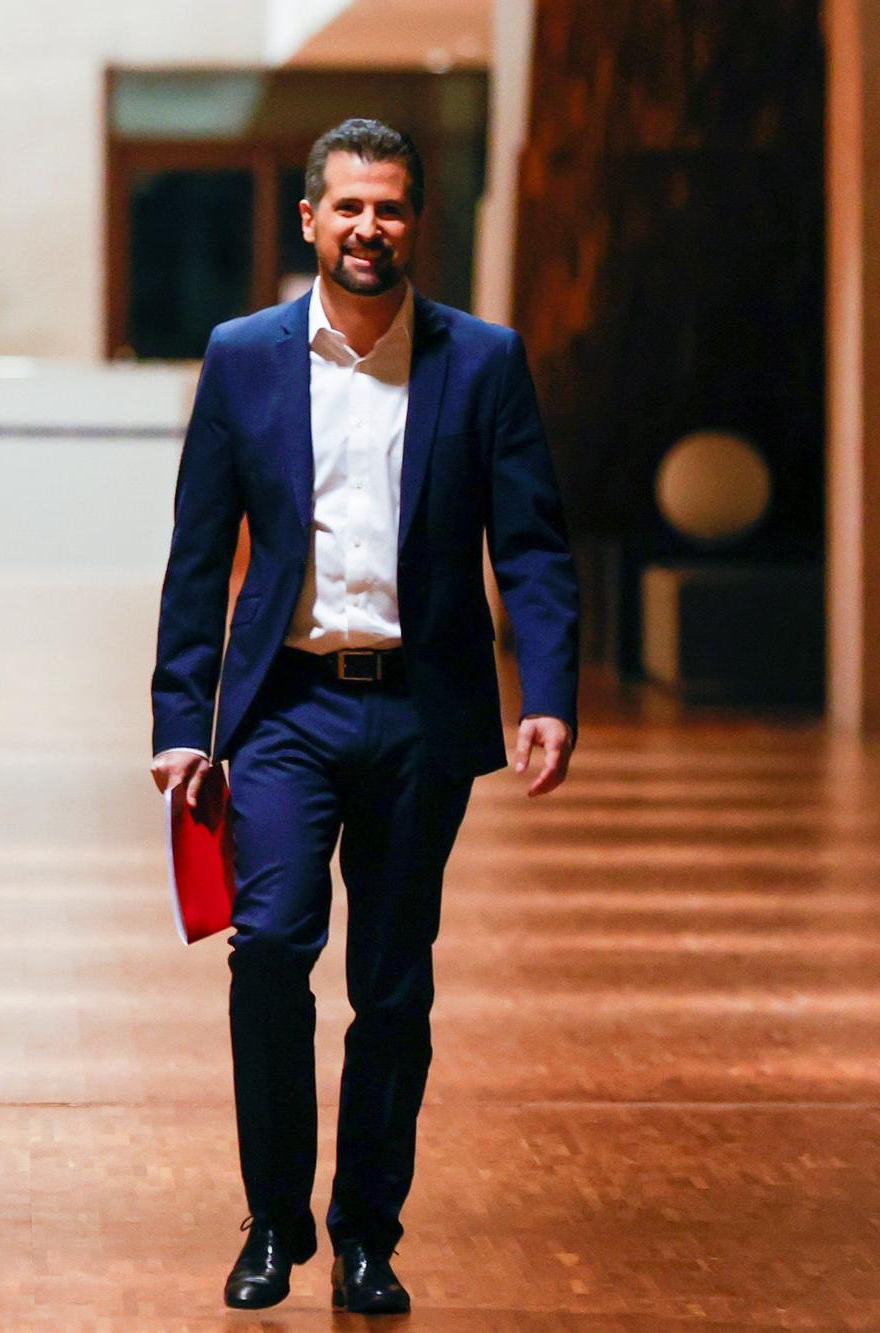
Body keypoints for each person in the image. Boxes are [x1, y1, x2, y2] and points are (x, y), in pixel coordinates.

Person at [149, 118, 578, 1315]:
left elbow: (533, 545)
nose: (366, 228)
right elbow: (196, 555)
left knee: (392, 986)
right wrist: (183, 715)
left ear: (412, 222)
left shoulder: (479, 360)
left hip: (419, 713)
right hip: (283, 708)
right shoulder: (242, 355)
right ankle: (274, 1220)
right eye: (345, 207)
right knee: (271, 946)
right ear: (308, 219)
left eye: (387, 208)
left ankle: (366, 1232)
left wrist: (544, 692)